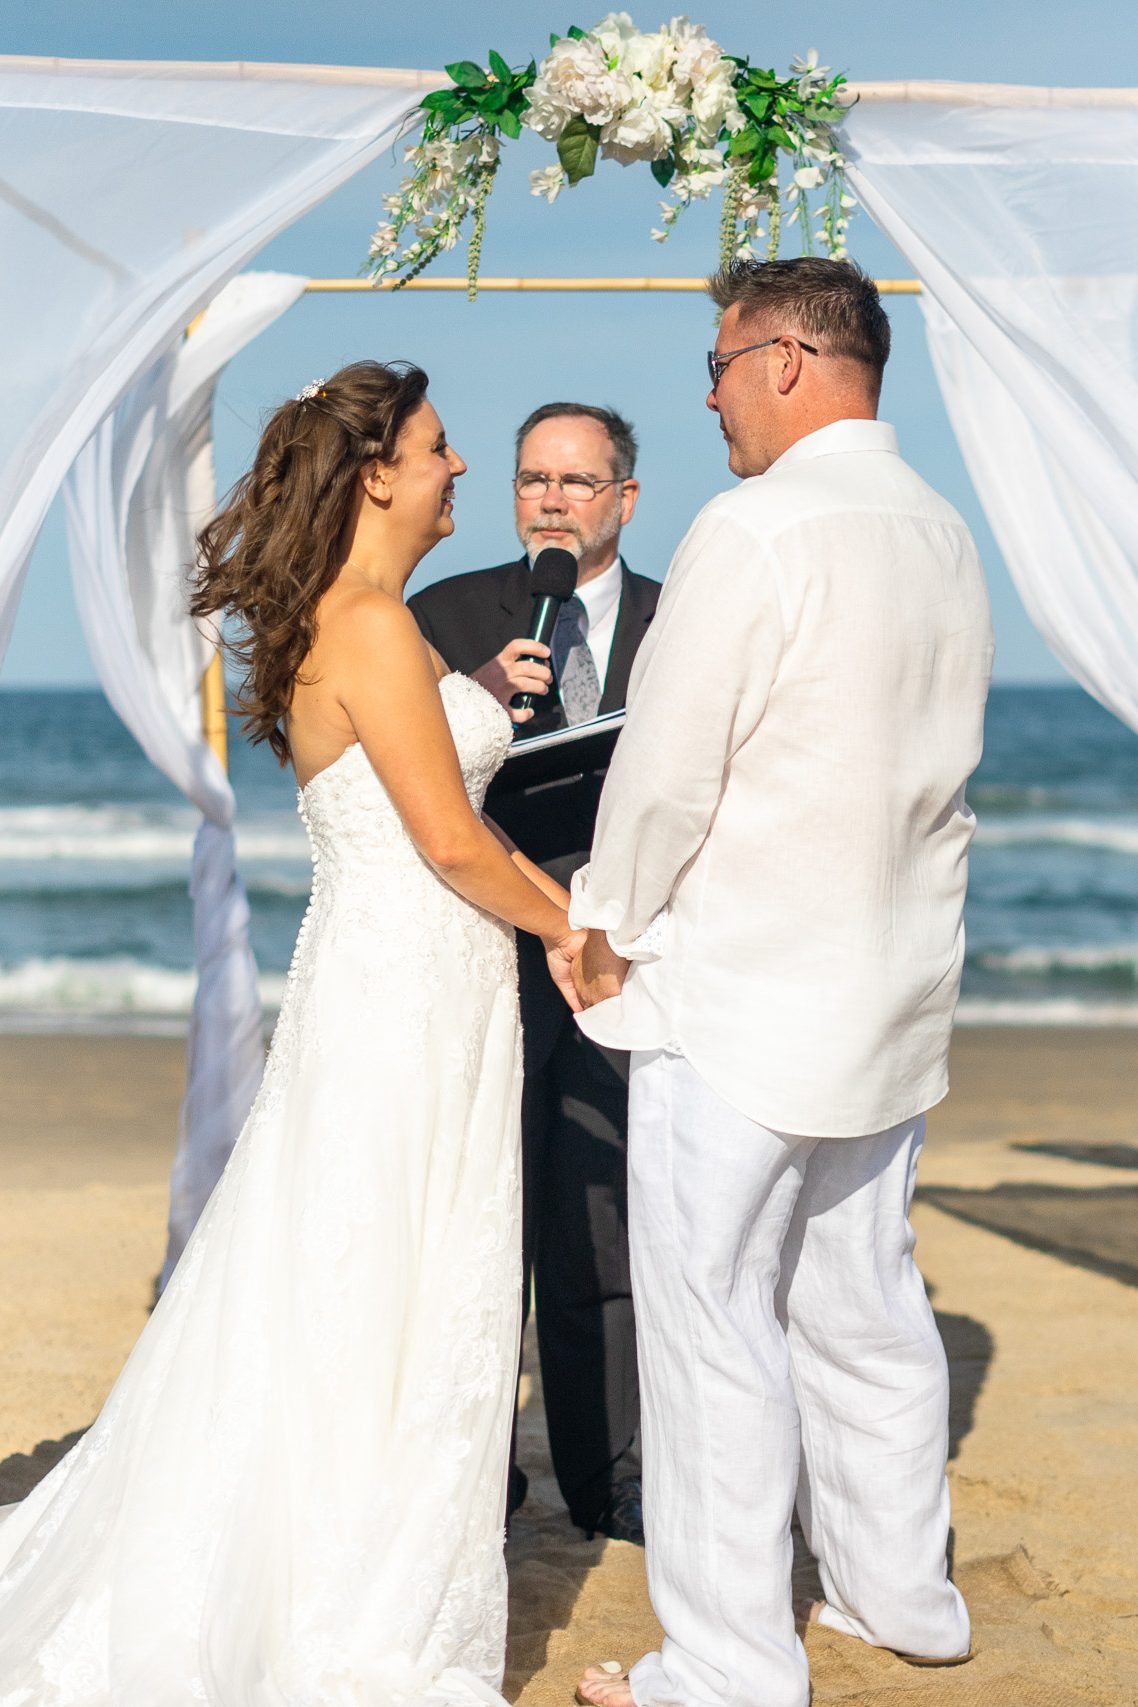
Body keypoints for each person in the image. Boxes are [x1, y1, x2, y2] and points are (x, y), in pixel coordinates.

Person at [0, 360, 585, 1707]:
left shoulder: (371, 620)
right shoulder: (374, 623)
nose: (456, 467)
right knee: (380, 1276)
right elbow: (447, 840)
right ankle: (340, 1586)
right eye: (439, 446)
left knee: (359, 1272)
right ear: (377, 468)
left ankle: (328, 1541)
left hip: (401, 979)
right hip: (404, 986)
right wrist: (575, 924)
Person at [569, 259, 994, 1707]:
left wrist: (602, 920)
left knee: (708, 1316)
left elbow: (668, 766)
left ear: (791, 361)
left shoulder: (752, 528)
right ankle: (904, 1597)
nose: (706, 391)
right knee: (865, 1298)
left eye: (720, 360)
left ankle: (729, 1659)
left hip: (746, 995)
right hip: (890, 993)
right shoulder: (939, 530)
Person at [410, 403, 659, 1545]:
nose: (551, 499)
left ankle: (608, 1481)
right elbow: (397, 780)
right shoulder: (448, 613)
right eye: (531, 480)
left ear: (624, 497)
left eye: (576, 480)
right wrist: (468, 693)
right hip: (485, 952)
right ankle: (473, 1479)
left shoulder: (682, 618)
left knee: (598, 1227)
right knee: (476, 1224)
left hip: (625, 960)